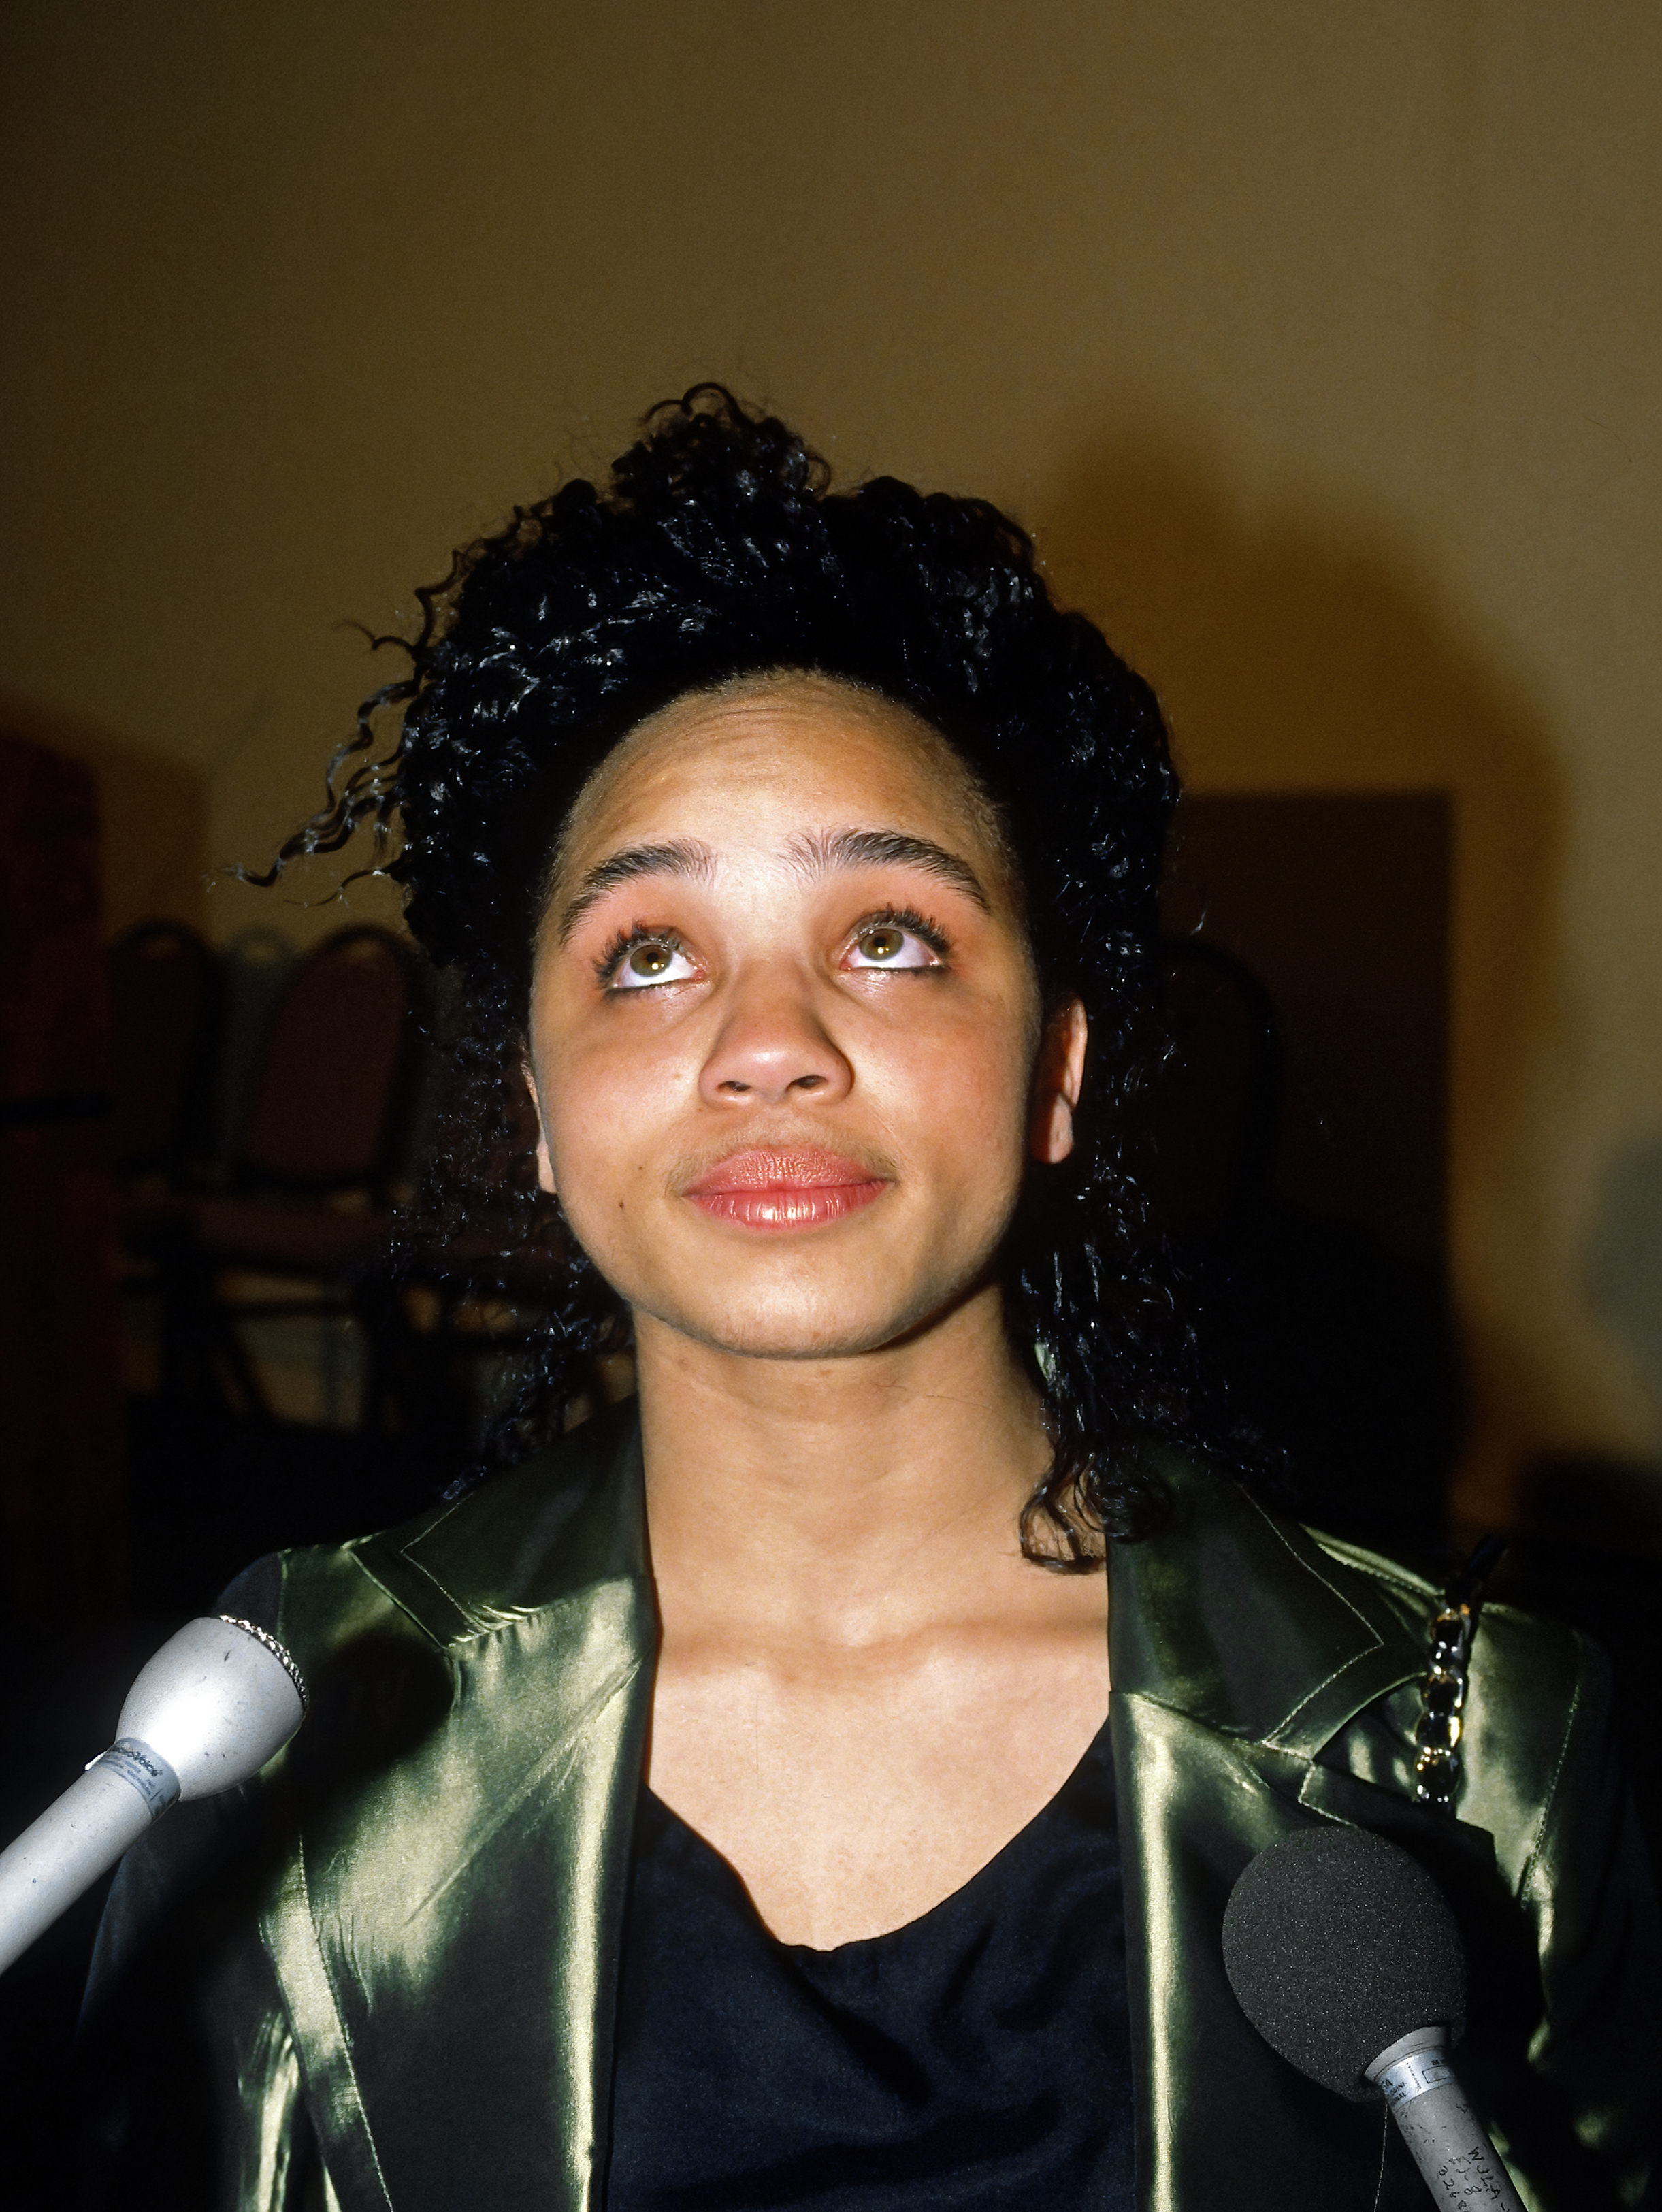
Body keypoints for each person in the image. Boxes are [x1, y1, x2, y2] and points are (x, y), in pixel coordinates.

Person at [80, 389, 1657, 2211]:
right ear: (537, 1109)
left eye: (889, 938)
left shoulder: (1468, 1755)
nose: (768, 1044)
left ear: (1054, 1070)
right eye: (648, 954)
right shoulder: (282, 1735)